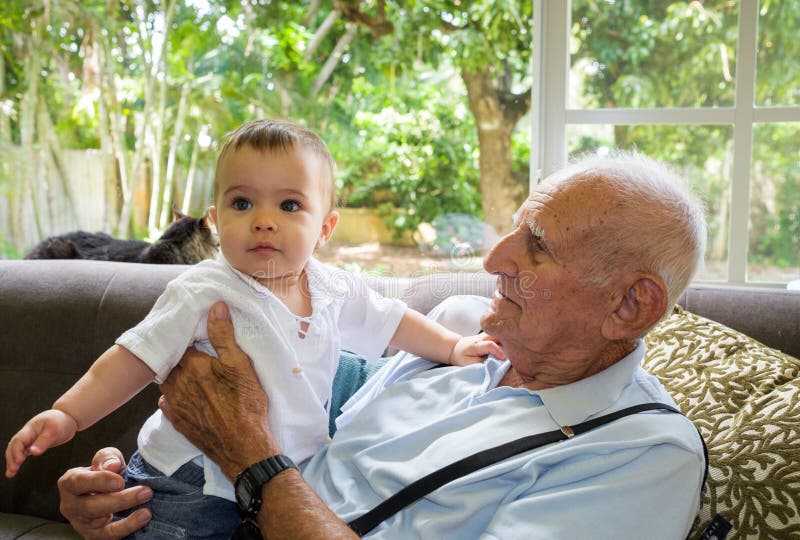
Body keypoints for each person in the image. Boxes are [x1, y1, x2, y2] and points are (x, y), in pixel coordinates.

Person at [57, 151, 708, 540]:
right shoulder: (459, 332)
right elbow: (301, 402)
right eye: (513, 230)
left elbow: (249, 435)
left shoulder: (642, 454)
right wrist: (145, 485)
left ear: (630, 305)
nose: (493, 259)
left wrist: (247, 455)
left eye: (536, 247)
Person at [6, 119, 503, 538]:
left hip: (283, 482)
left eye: (289, 206)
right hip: (187, 483)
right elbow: (133, 358)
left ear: (325, 228)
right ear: (215, 220)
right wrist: (67, 414)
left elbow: (392, 321)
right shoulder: (204, 290)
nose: (264, 221)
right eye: (242, 203)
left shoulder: (334, 288)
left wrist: (454, 346)